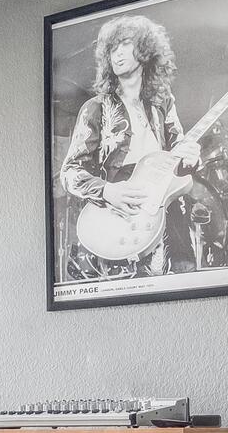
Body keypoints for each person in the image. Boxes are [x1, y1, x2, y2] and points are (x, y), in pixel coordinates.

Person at [59, 14, 195, 278]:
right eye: (112, 48)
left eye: (124, 44)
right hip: (121, 225)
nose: (117, 54)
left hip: (170, 223)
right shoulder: (95, 108)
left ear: (144, 50)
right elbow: (69, 173)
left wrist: (191, 156)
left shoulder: (163, 104)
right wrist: (107, 191)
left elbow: (180, 154)